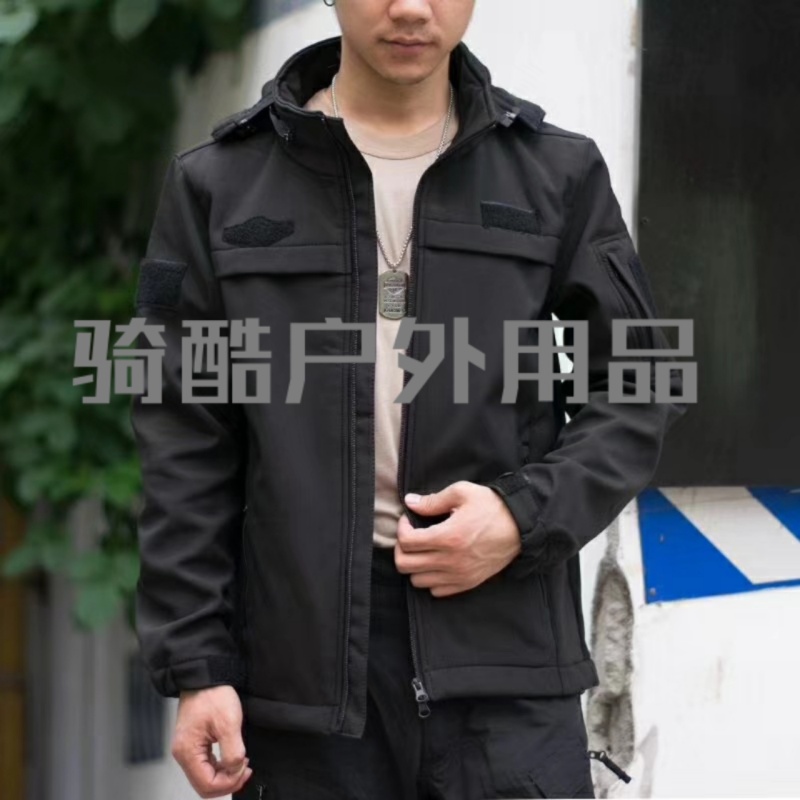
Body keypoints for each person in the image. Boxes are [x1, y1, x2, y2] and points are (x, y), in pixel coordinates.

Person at [130, 1, 686, 798]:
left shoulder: (555, 172)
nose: (412, 9)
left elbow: (643, 381)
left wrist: (520, 516)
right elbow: (182, 438)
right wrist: (198, 668)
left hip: (504, 667)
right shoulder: (221, 183)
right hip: (304, 685)